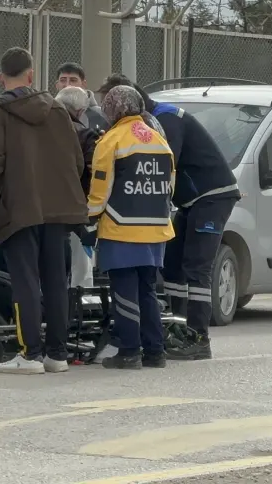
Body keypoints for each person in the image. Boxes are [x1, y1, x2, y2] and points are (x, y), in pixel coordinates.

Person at [0, 47, 87, 375]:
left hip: (19, 209)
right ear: (32, 75)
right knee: (55, 280)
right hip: (58, 210)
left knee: (25, 280)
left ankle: (30, 353)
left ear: (0, 78)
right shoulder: (56, 109)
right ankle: (57, 353)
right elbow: (76, 160)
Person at [87, 85, 175, 370]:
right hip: (157, 230)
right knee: (147, 291)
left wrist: (88, 216)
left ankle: (128, 351)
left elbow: (101, 187)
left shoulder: (111, 141)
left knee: (124, 292)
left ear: (113, 110)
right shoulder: (160, 140)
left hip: (121, 229)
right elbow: (168, 188)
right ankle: (155, 351)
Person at [150, 95, 240, 361]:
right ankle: (179, 330)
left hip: (212, 196)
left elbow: (167, 164)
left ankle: (199, 337)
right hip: (193, 201)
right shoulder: (159, 118)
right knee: (173, 264)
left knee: (197, 267)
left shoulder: (166, 119)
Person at [55, 85, 101, 288]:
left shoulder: (36, 131)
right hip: (76, 210)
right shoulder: (85, 135)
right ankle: (79, 308)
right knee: (80, 270)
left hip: (39, 211)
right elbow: (94, 176)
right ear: (81, 111)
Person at [55, 62, 107, 132]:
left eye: (73, 80)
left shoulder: (101, 114)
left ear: (83, 84)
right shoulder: (48, 112)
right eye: (63, 80)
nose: (67, 85)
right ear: (57, 85)